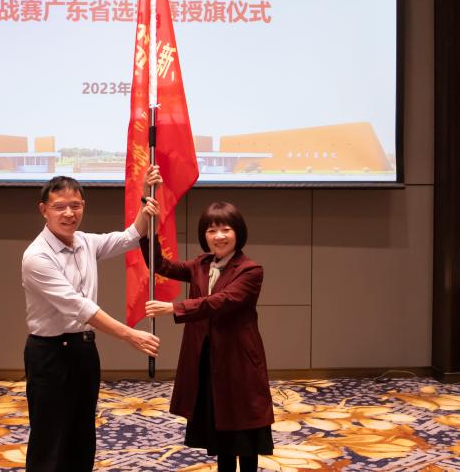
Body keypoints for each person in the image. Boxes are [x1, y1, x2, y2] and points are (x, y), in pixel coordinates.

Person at [21, 170, 162, 472]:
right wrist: (130, 335)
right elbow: (80, 307)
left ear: (83, 206)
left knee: (81, 433)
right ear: (43, 210)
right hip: (50, 354)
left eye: (75, 205)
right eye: (59, 206)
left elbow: (130, 237)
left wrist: (145, 198)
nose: (69, 213)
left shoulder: (85, 242)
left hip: (84, 350)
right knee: (50, 438)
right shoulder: (37, 256)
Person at [144, 201, 274, 472]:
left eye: (226, 229)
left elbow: (221, 301)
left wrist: (175, 307)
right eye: (211, 230)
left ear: (238, 232)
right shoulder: (201, 264)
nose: (219, 236)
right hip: (208, 360)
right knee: (220, 427)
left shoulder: (250, 270)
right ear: (204, 235)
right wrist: (149, 230)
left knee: (245, 429)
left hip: (239, 362)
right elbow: (161, 265)